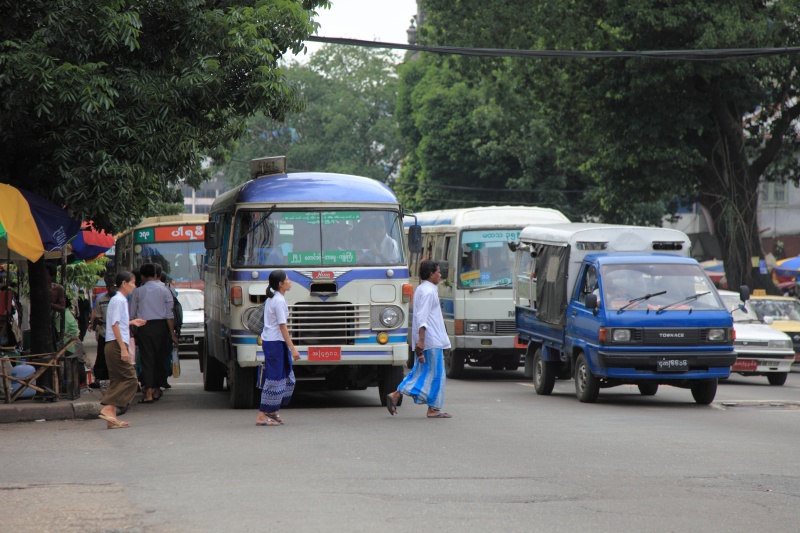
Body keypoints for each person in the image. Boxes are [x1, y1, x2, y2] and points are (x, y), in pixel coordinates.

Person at [386, 260, 452, 418]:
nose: (440, 275)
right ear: (431, 274)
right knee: (436, 374)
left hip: (427, 339)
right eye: (438, 272)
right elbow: (422, 318)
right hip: (431, 340)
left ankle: (396, 394)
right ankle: (433, 408)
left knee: (420, 371)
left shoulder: (422, 289)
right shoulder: (429, 291)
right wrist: (421, 340)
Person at [98, 271, 145, 429]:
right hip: (116, 345)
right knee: (131, 379)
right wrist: (123, 348)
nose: (134, 286)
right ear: (124, 283)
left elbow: (117, 322)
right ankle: (109, 408)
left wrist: (131, 322)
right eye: (133, 282)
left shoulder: (117, 300)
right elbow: (114, 325)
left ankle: (112, 419)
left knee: (117, 381)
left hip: (112, 344)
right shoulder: (119, 300)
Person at [255, 269, 300, 427]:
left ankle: (272, 411)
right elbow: (282, 327)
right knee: (273, 379)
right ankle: (261, 415)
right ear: (280, 284)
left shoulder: (274, 298)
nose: (289, 282)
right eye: (287, 280)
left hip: (274, 342)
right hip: (275, 343)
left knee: (284, 376)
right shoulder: (278, 300)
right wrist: (293, 349)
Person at [130, 263, 179, 403]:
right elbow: (170, 315)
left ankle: (149, 392)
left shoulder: (137, 292)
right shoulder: (165, 291)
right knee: (159, 359)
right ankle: (157, 389)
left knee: (147, 359)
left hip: (144, 327)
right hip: (162, 328)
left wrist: (133, 331)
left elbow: (132, 314)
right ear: (157, 275)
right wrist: (173, 334)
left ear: (142, 276)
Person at [88, 275, 115, 388]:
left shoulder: (121, 299)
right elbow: (97, 315)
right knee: (102, 357)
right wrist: (98, 322)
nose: (111, 289)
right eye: (108, 286)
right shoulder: (101, 299)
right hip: (104, 332)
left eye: (113, 286)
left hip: (117, 334)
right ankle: (99, 379)